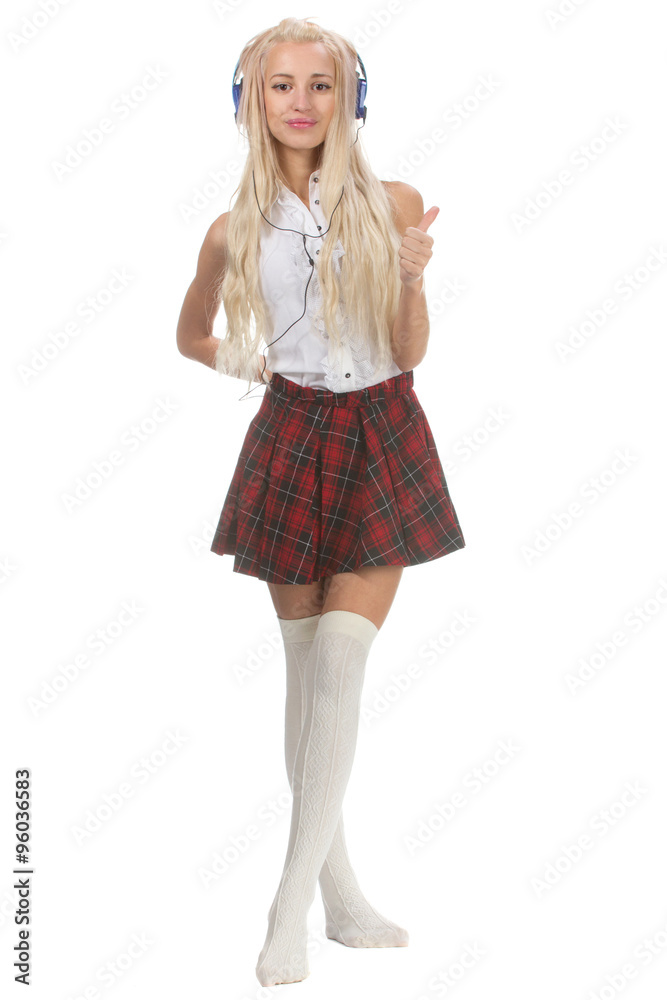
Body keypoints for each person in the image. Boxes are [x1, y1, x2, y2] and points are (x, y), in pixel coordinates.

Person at [176, 16, 466, 986]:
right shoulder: (232, 230)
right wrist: (243, 361)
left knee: (341, 659)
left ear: (349, 98)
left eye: (320, 84)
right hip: (291, 435)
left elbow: (410, 349)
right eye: (280, 85)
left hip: (381, 427)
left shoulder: (395, 204)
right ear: (251, 101)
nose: (300, 102)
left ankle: (285, 909)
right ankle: (340, 898)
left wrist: (414, 280)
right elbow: (189, 334)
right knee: (307, 678)